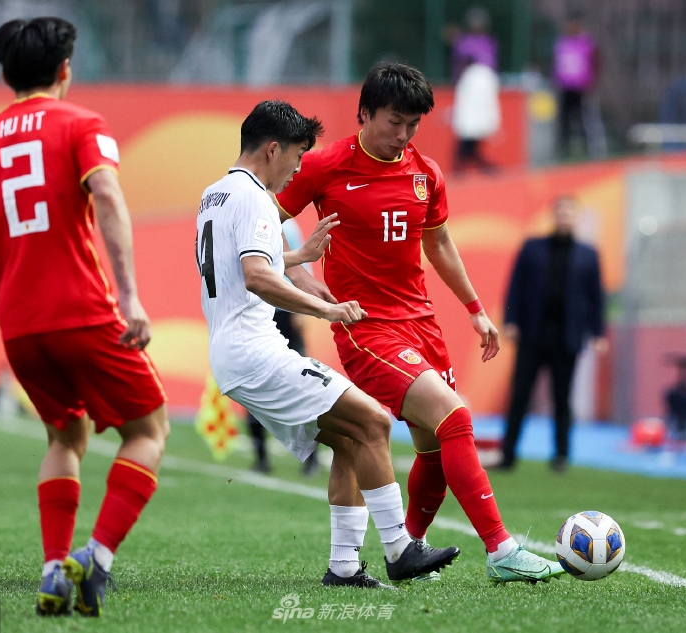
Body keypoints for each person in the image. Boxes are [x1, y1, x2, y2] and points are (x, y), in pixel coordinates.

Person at [274, 63, 564, 584]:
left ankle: (409, 552)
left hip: (422, 323)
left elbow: (439, 243)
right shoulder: (325, 166)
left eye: (413, 125)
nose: (403, 135)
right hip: (365, 327)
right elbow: (265, 220)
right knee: (455, 417)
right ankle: (501, 550)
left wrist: (476, 310)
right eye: (394, 122)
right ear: (364, 114)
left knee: (433, 450)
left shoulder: (425, 171)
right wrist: (299, 269)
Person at [0, 17, 169, 617]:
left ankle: (54, 569)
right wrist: (131, 295)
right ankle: (97, 559)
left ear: (6, 76)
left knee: (65, 436)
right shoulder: (82, 123)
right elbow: (106, 195)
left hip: (21, 327)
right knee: (149, 429)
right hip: (84, 311)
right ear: (64, 71)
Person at [196, 99, 460, 588]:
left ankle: (343, 567)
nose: (297, 168)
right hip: (256, 353)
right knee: (375, 421)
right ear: (272, 149)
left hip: (234, 352)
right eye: (295, 156)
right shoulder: (254, 196)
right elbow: (255, 277)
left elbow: (241, 265)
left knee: (350, 440)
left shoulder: (216, 194)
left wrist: (299, 258)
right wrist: (327, 308)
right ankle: (400, 548)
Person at [501, 196, 606, 472]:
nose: (564, 217)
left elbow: (596, 297)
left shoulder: (588, 253)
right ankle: (508, 454)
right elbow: (515, 286)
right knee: (520, 395)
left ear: (575, 217)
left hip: (567, 336)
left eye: (570, 213)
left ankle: (561, 455)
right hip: (533, 334)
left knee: (562, 398)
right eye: (560, 212)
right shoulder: (532, 248)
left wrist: (598, 332)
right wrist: (511, 319)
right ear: (554, 215)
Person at [246, 217, 320, 476]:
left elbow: (302, 265)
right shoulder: (251, 218)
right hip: (259, 312)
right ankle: (261, 457)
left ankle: (312, 459)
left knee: (303, 381)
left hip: (285, 312)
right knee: (254, 382)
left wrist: (303, 307)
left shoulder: (286, 226)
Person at [448, 6, 500, 174]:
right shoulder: (464, 43)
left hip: (484, 88)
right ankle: (461, 159)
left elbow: (492, 65)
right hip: (470, 88)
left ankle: (474, 156)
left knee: (481, 123)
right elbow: (459, 66)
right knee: (467, 122)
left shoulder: (489, 42)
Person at [553, 11, 606, 159]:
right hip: (565, 87)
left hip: (582, 87)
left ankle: (591, 149)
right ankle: (563, 148)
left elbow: (596, 62)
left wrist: (593, 81)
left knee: (586, 119)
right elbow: (557, 63)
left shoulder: (587, 42)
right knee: (565, 120)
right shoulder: (562, 42)